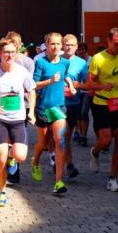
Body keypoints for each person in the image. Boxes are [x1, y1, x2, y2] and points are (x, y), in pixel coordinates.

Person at [0, 39, 37, 207]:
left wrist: (31, 111)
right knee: (1, 157)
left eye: (12, 52)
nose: (9, 55)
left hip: (18, 119)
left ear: (16, 53)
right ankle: (2, 192)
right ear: (0, 54)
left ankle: (12, 156)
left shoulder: (22, 71)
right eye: (6, 52)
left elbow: (32, 90)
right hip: (0, 120)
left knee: (20, 156)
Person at [86, 28, 118, 192]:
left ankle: (112, 178)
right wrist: (102, 86)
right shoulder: (98, 58)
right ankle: (95, 151)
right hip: (101, 102)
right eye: (116, 43)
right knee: (106, 140)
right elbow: (89, 83)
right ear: (108, 41)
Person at [31, 33, 77, 195]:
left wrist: (70, 85)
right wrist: (50, 81)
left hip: (59, 108)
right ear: (47, 46)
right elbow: (33, 85)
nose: (56, 47)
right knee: (43, 143)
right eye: (53, 44)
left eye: (58, 44)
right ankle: (35, 161)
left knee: (60, 140)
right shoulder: (40, 63)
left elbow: (66, 76)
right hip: (43, 108)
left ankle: (58, 182)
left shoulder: (65, 62)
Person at [61, 34, 88, 178]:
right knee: (61, 135)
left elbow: (88, 83)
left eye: (72, 45)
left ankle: (63, 160)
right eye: (67, 44)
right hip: (57, 104)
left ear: (76, 47)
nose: (69, 47)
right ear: (62, 45)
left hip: (73, 103)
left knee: (66, 136)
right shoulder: (56, 60)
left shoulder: (82, 63)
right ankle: (67, 163)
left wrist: (79, 85)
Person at [75, 42, 92, 146]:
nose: (80, 52)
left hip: (87, 90)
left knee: (84, 112)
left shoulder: (92, 60)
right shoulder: (75, 61)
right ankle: (79, 133)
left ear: (86, 50)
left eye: (82, 49)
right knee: (77, 113)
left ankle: (84, 135)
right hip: (77, 90)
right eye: (78, 50)